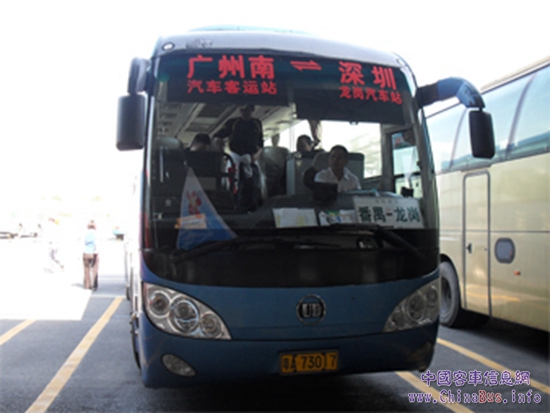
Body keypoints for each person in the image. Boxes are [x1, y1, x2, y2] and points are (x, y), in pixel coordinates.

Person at [83, 220, 99, 291]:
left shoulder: (85, 233)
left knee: (86, 269)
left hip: (86, 252)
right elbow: (97, 243)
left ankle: (87, 285)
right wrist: (96, 251)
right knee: (94, 269)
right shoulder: (95, 233)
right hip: (94, 252)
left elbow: (83, 243)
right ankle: (94, 285)